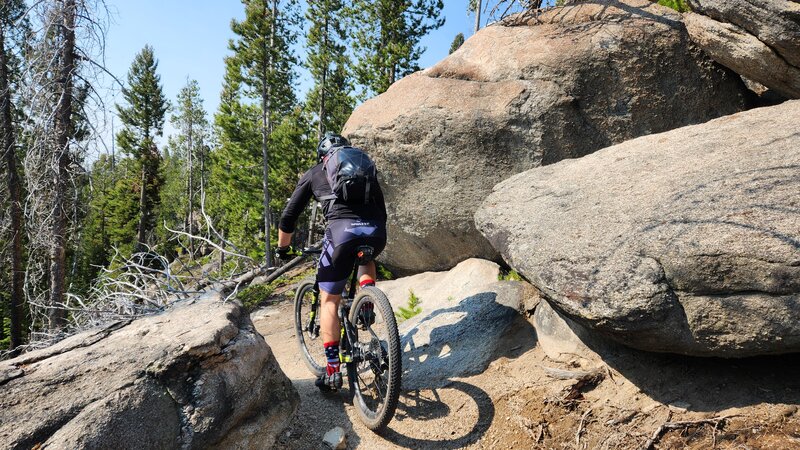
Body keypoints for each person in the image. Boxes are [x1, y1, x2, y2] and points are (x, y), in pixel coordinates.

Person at [276, 132, 387, 390]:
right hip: (375, 232)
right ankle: (367, 300)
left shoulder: (316, 172)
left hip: (341, 234)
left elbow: (289, 216)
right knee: (365, 256)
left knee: (329, 301)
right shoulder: (364, 169)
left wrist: (283, 249)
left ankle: (333, 370)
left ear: (322, 157)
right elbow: (381, 209)